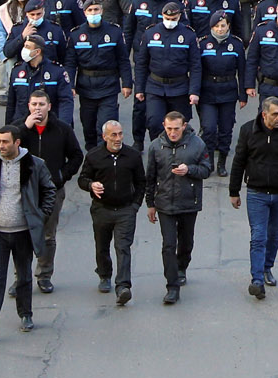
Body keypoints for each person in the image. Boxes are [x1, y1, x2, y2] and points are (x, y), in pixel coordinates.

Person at [0, 124, 54, 339]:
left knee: (24, 276)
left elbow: (49, 191)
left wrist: (40, 217)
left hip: (23, 232)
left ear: (17, 142)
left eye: (5, 142)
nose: (1, 146)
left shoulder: (35, 165)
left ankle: (26, 314)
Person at [230, 96, 278, 300]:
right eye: (275, 114)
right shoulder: (248, 130)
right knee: (258, 236)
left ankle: (266, 268)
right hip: (256, 193)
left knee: (274, 235)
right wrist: (234, 191)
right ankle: (256, 280)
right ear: (264, 115)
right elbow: (239, 161)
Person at [144, 109, 209, 305]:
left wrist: (189, 170)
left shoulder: (197, 144)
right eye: (169, 128)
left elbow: (206, 169)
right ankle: (172, 286)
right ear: (164, 126)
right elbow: (150, 177)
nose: (173, 133)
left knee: (186, 242)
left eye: (176, 129)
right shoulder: (156, 146)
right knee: (168, 245)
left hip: (189, 202)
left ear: (184, 127)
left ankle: (182, 266)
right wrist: (150, 204)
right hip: (165, 203)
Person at [78, 119, 144, 303]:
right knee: (102, 245)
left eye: (120, 134)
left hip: (125, 209)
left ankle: (123, 286)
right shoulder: (94, 156)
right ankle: (104, 274)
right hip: (102, 209)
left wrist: (135, 205)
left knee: (123, 247)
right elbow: (82, 179)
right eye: (113, 135)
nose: (118, 138)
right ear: (104, 136)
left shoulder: (132, 155)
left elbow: (141, 182)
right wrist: (91, 185)